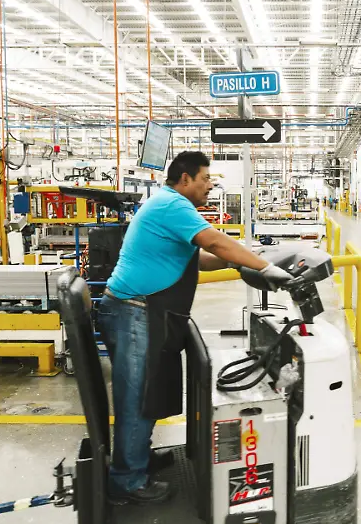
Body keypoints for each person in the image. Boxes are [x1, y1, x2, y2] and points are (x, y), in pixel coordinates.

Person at [101, 151, 294, 505]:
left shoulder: (169, 205)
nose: (210, 186)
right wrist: (264, 268)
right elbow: (215, 241)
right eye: (205, 179)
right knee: (137, 398)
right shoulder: (172, 205)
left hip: (144, 312)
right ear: (185, 179)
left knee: (149, 391)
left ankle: (137, 459)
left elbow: (203, 259)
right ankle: (126, 480)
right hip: (134, 312)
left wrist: (243, 262)